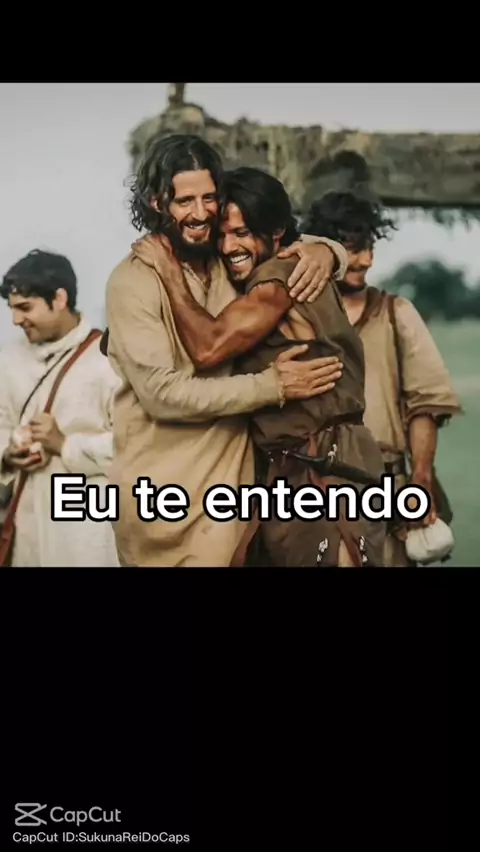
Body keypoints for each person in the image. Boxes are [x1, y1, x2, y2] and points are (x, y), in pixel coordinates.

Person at [105, 134, 349, 568]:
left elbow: (270, 236)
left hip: (234, 497)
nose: (201, 214)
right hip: (161, 496)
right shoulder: (133, 281)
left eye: (209, 198)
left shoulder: (226, 260)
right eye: (185, 201)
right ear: (157, 203)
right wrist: (270, 386)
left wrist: (327, 251)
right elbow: (163, 394)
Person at [304, 191, 462, 566]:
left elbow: (425, 405)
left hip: (385, 487)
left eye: (369, 247)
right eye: (353, 249)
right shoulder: (299, 316)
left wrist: (421, 476)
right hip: (312, 490)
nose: (366, 260)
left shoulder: (396, 313)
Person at [0, 250, 120, 567]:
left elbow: (137, 445)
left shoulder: (109, 360)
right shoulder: (7, 361)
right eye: (12, 309)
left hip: (85, 536)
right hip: (25, 535)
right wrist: (8, 455)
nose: (16, 320)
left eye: (25, 308)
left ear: (60, 298)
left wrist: (65, 444)